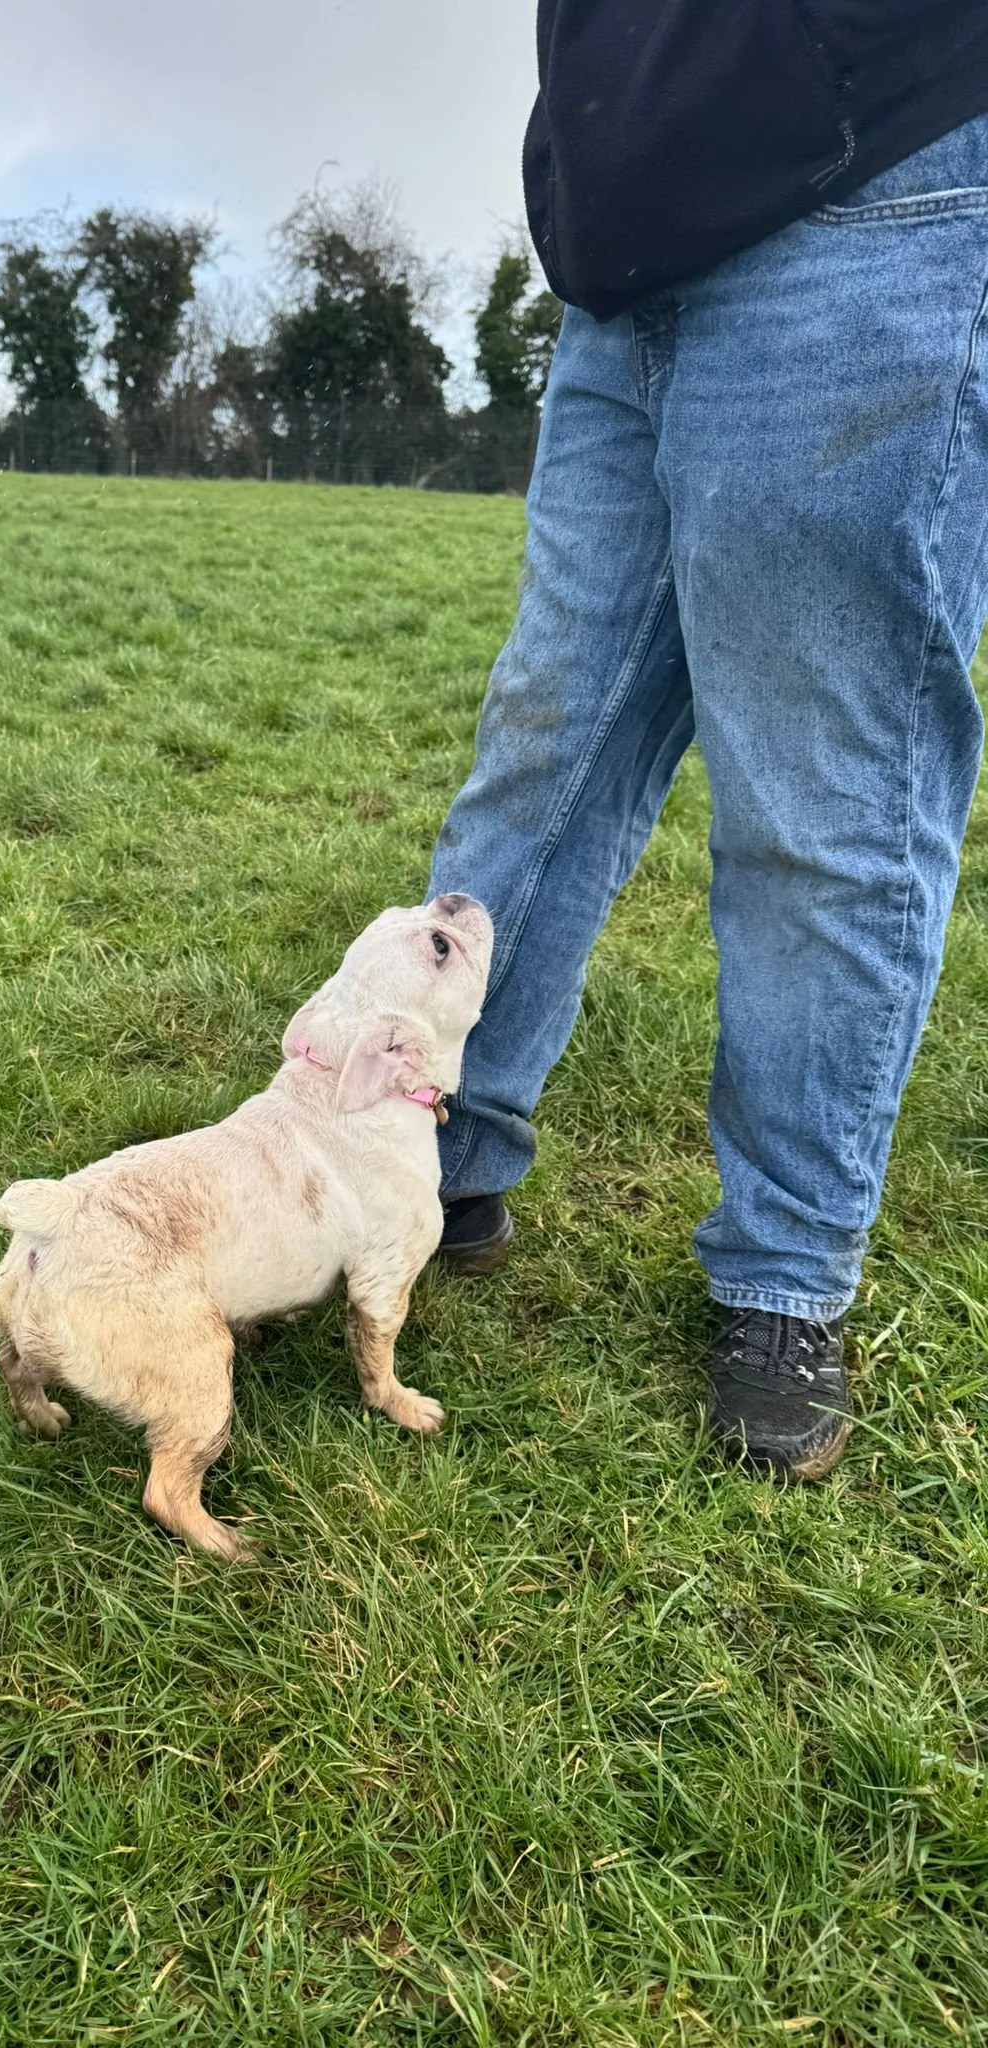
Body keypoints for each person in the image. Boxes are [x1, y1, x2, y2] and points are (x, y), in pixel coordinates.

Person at [431, 2, 988, 1478]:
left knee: (824, 797)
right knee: (547, 745)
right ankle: (431, 1152)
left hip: (878, 188)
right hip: (629, 250)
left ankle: (785, 1276)